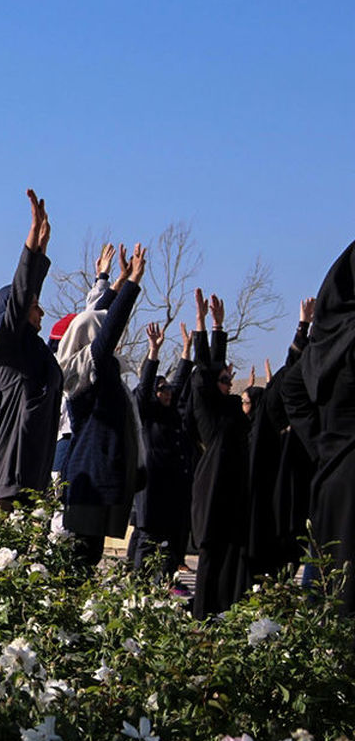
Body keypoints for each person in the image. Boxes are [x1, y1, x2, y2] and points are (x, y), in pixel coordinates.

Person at [56, 243, 147, 569]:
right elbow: (105, 331)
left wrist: (116, 279)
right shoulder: (82, 370)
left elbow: (97, 319)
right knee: (80, 559)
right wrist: (133, 283)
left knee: (89, 557)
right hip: (88, 476)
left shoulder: (95, 367)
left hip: (97, 475)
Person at [282, 240, 355, 616]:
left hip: (331, 473)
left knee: (329, 585)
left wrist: (322, 442)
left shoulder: (328, 337)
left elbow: (292, 388)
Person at [0, 190, 63, 509]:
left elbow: (27, 293)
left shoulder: (35, 351)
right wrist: (31, 243)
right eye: (36, 306)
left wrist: (42, 248)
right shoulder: (9, 346)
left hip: (35, 480)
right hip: (9, 483)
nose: (41, 312)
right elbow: (21, 294)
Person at [188, 288, 252, 618]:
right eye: (225, 379)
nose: (229, 382)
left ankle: (227, 616)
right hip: (212, 498)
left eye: (229, 377)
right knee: (210, 565)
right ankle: (201, 620)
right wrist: (207, 328)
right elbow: (203, 374)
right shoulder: (207, 409)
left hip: (234, 499)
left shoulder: (231, 410)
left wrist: (217, 327)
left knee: (231, 565)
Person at [246, 299, 315, 581]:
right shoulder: (268, 424)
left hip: (293, 499)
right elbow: (288, 379)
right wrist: (303, 328)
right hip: (270, 506)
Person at [131, 321, 194, 582]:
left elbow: (180, 382)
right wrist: (153, 353)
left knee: (169, 543)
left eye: (168, 389)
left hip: (173, 491)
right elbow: (145, 388)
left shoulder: (171, 415)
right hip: (152, 490)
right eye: (162, 389)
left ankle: (164, 585)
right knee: (148, 541)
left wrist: (186, 351)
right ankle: (138, 587)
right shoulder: (147, 413)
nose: (167, 392)